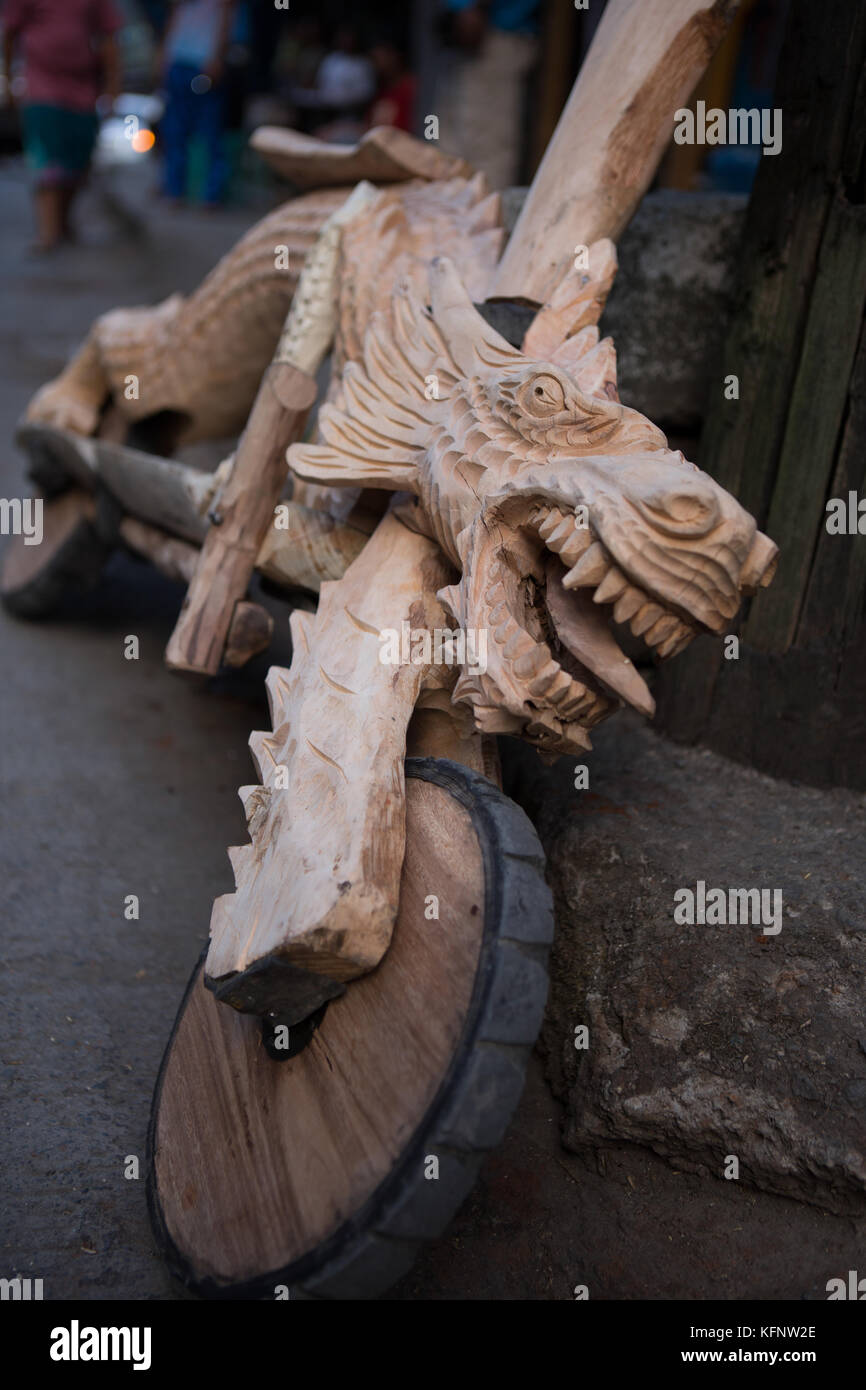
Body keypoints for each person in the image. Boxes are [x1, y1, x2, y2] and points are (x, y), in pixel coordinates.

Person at [2, 0, 122, 252]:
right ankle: (48, 232)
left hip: (83, 88)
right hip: (41, 85)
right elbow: (10, 33)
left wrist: (112, 89)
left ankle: (63, 223)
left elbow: (109, 39)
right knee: (46, 157)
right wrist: (10, 80)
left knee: (78, 159)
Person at [156, 0, 237, 206]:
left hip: (204, 63)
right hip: (178, 62)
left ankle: (211, 195)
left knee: (210, 133)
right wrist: (164, 57)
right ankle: (174, 191)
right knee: (175, 131)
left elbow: (227, 21)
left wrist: (217, 57)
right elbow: (174, 18)